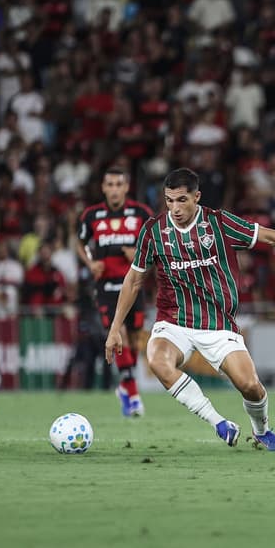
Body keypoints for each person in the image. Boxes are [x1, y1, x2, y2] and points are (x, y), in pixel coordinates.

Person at [105, 168, 275, 449]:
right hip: (174, 322)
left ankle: (262, 430)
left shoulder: (218, 223)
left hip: (218, 325)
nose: (175, 208)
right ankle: (219, 422)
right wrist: (114, 328)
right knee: (158, 360)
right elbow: (133, 280)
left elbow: (267, 236)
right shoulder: (154, 231)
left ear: (197, 196)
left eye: (181, 200)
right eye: (169, 200)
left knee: (251, 386)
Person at [78, 167, 153, 417]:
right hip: (107, 287)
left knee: (133, 341)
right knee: (117, 333)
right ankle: (133, 396)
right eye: (109, 184)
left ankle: (124, 386)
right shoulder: (91, 215)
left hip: (134, 285)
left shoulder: (142, 213)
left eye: (118, 184)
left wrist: (140, 254)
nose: (113, 189)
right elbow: (79, 242)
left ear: (126, 187)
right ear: (103, 187)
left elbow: (157, 244)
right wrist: (90, 262)